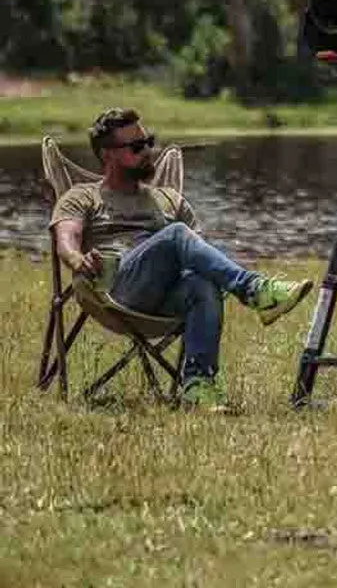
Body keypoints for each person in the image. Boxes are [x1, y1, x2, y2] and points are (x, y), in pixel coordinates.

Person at [49, 107, 314, 408]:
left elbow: (199, 251)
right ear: (107, 155)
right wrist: (76, 259)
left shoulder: (168, 200)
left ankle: (198, 386)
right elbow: (66, 238)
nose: (147, 151)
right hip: (113, 290)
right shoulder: (83, 196)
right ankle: (255, 291)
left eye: (149, 141)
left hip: (165, 296)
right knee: (176, 234)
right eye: (136, 147)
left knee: (203, 281)